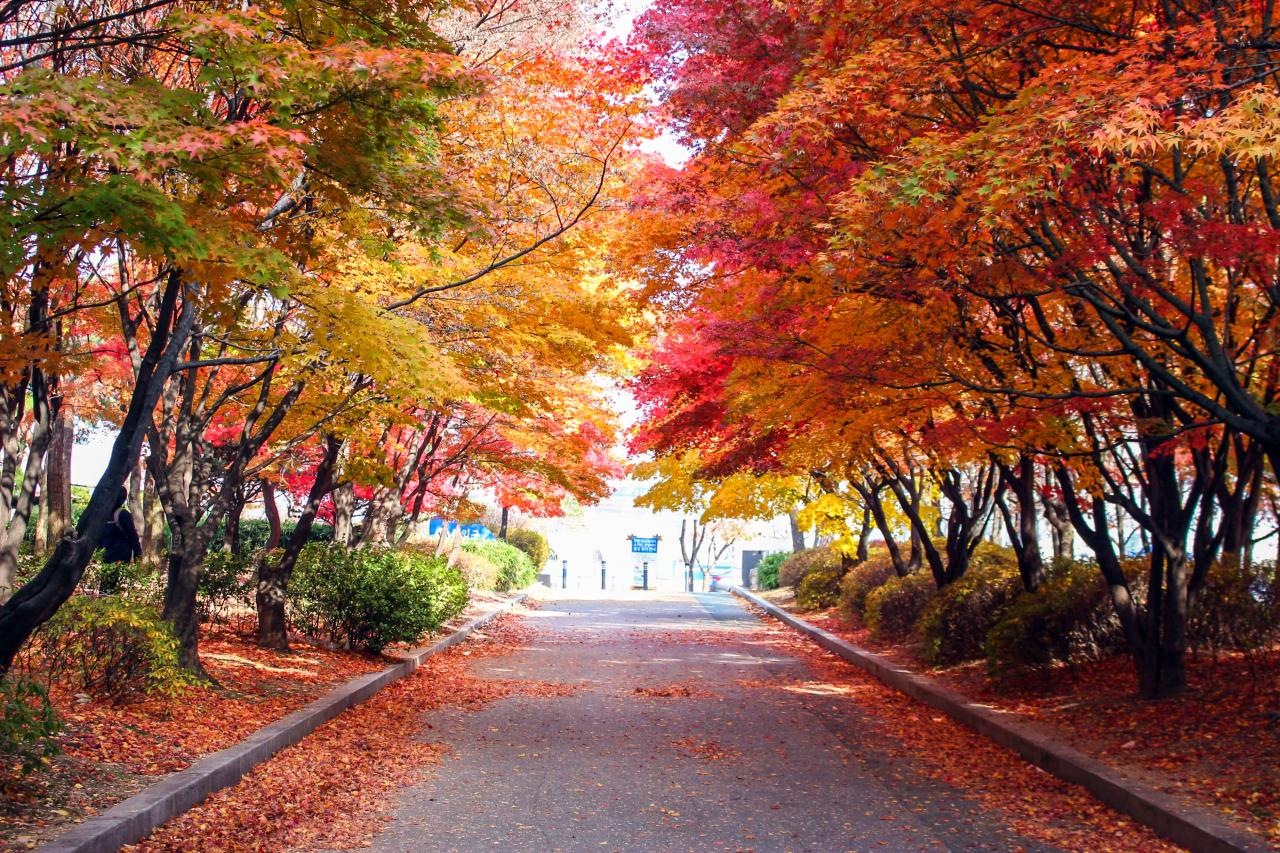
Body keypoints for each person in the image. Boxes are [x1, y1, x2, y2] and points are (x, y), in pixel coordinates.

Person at [99, 487, 143, 592]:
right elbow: (100, 536)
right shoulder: (105, 514)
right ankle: (105, 603)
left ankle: (110, 604)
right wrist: (98, 552)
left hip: (120, 556)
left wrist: (138, 555)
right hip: (107, 555)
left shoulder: (123, 514)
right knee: (105, 583)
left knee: (111, 583)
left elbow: (133, 535)